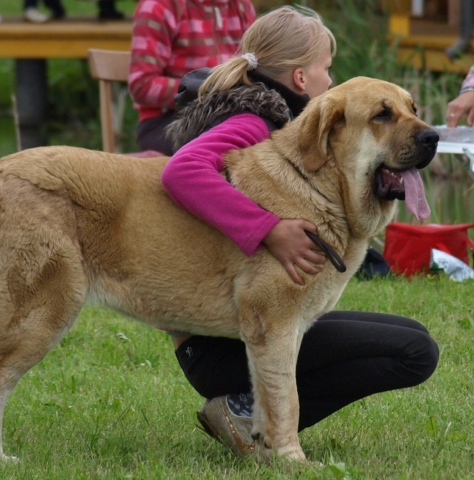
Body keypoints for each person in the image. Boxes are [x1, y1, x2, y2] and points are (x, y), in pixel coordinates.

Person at [160, 5, 440, 457]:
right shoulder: (253, 122)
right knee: (411, 351)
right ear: (301, 78)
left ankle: (254, 415)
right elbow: (181, 170)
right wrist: (267, 229)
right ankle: (248, 415)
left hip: (243, 326)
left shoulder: (284, 126)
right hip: (221, 343)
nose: (332, 80)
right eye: (326, 69)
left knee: (417, 339)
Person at [128, 0, 256, 155]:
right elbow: (142, 85)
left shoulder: (241, 6)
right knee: (226, 148)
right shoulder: (159, 6)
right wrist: (206, 89)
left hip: (229, 115)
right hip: (169, 120)